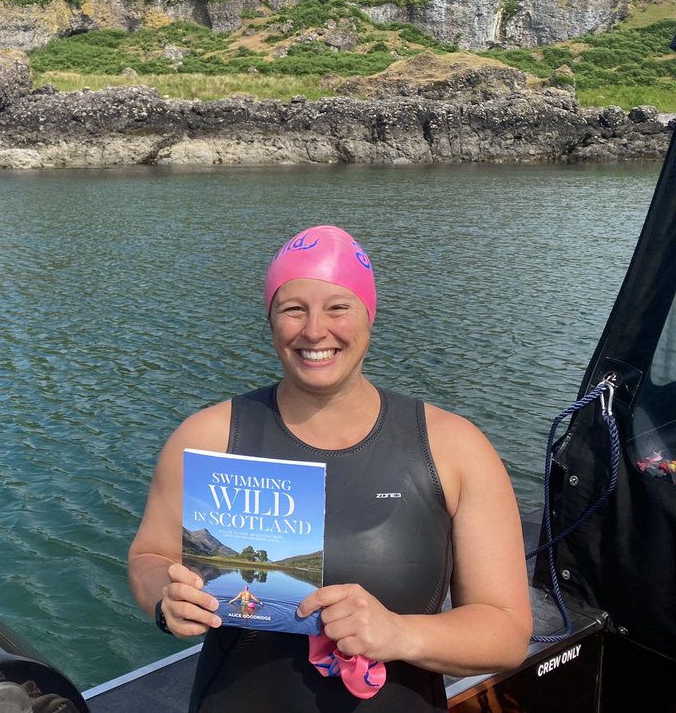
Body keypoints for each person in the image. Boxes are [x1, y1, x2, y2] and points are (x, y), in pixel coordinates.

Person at [127, 224, 532, 712]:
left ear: (369, 315)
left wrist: (400, 633)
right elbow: (149, 556)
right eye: (293, 309)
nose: (315, 330)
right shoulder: (208, 437)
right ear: (271, 321)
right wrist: (165, 601)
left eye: (338, 307)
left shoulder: (453, 448)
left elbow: (506, 631)